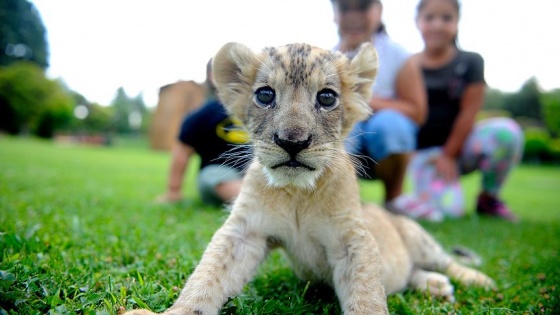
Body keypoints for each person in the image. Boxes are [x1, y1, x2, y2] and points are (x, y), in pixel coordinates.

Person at [404, 0, 523, 221]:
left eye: (446, 18)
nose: (437, 25)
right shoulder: (407, 64)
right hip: (425, 153)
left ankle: (488, 198)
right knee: (447, 213)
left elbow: (470, 111)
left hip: (461, 147)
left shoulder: (471, 61)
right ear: (418, 22)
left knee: (507, 132)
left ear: (457, 22)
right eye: (429, 18)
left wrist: (449, 154)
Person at [330, 0, 432, 215]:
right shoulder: (326, 59)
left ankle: (394, 197)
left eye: (362, 7)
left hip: (386, 143)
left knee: (389, 124)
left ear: (379, 11)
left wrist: (363, 100)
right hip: (348, 143)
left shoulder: (397, 55)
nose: (353, 15)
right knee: (339, 126)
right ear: (334, 14)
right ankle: (335, 199)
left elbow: (417, 111)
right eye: (345, 8)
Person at [157, 60, 250, 206]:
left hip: (253, 171)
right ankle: (257, 203)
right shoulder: (203, 114)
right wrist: (173, 191)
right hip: (219, 172)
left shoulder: (258, 110)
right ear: (213, 76)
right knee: (212, 176)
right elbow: (182, 151)